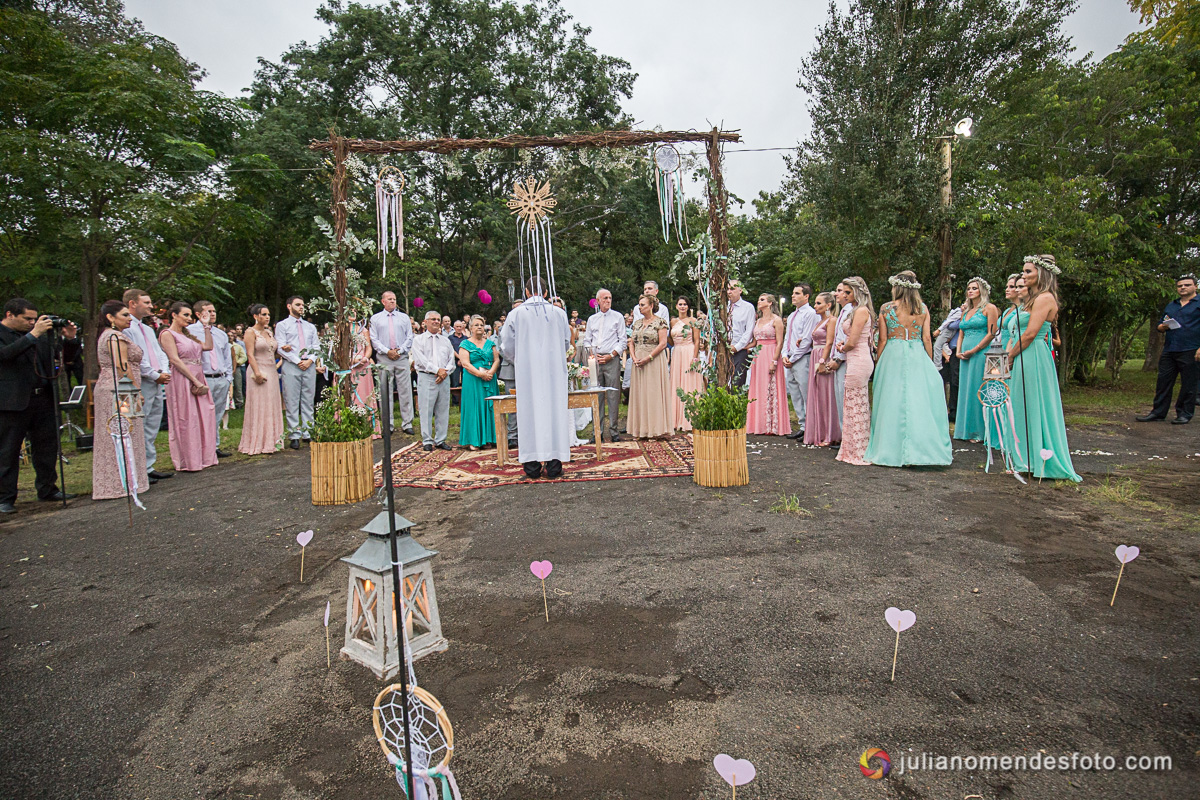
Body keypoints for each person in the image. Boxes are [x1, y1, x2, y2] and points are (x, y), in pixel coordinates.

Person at [864, 272, 952, 466]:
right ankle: (921, 450)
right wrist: (930, 362)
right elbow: (927, 338)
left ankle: (890, 448)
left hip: (892, 354)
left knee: (892, 398)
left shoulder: (887, 308)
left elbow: (883, 339)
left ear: (897, 287)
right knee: (917, 399)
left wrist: (878, 362)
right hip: (916, 353)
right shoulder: (922, 308)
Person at [1007, 255, 1081, 481]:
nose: (1024, 276)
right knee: (1022, 403)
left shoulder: (1045, 299)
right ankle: (1026, 457)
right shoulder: (1031, 299)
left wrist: (1008, 357)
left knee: (1035, 402)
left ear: (1042, 273)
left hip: (1034, 355)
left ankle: (1040, 460)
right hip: (1023, 354)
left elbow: (1030, 333)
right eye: (1023, 272)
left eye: (1028, 271)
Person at [0, 298, 78, 513]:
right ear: (9, 315)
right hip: (12, 402)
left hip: (42, 398)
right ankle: (5, 497)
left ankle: (47, 488)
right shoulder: (12, 335)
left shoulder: (39, 336)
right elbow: (5, 356)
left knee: (47, 446)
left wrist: (69, 340)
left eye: (34, 319)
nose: (31, 323)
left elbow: (62, 361)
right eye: (27, 319)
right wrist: (33, 335)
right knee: (8, 450)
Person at [500, 279, 572, 479]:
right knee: (554, 412)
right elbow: (566, 342)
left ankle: (531, 467)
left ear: (526, 291)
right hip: (553, 371)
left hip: (527, 371)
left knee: (528, 413)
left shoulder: (516, 314)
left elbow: (505, 345)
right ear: (547, 292)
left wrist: (520, 359)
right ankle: (554, 466)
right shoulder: (558, 313)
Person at [91, 300, 149, 501]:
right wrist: (135, 390)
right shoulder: (114, 337)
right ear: (110, 317)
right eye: (124, 315)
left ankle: (128, 479)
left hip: (114, 388)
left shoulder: (110, 335)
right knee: (123, 432)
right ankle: (122, 482)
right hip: (119, 390)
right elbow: (122, 367)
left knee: (122, 433)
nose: (129, 319)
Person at [159, 301, 217, 472]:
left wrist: (206, 327)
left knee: (204, 415)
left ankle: (205, 457)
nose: (189, 318)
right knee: (186, 417)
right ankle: (188, 460)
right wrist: (194, 380)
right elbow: (175, 360)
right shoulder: (167, 334)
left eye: (190, 315)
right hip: (182, 378)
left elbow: (208, 346)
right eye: (185, 315)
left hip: (198, 374)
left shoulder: (188, 335)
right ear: (174, 315)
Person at [123, 289, 173, 483]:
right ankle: (137, 468)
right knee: (140, 424)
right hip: (142, 380)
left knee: (152, 424)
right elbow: (136, 356)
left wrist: (163, 369)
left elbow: (158, 351)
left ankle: (149, 465)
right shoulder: (128, 329)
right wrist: (153, 374)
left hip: (157, 379)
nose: (151, 306)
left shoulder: (149, 328)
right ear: (132, 304)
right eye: (147, 302)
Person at [1138, 272, 1199, 424]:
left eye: (1186, 285)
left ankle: (1184, 414)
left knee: (1188, 384)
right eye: (1180, 286)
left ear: (1195, 287)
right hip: (1170, 348)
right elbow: (1161, 324)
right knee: (1163, 382)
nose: (1183, 288)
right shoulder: (1172, 305)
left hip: (1191, 348)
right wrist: (1162, 326)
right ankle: (1158, 413)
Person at [835, 276, 875, 466]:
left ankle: (859, 449)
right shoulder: (856, 310)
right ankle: (851, 446)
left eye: (848, 292)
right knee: (851, 403)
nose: (844, 295)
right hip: (854, 358)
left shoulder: (861, 311)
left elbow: (853, 342)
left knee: (856, 404)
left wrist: (842, 347)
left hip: (859, 359)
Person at [953, 279, 999, 441]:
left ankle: (979, 431)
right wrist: (958, 351)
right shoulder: (966, 311)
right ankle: (964, 429)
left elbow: (991, 333)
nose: (970, 291)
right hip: (964, 353)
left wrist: (975, 350)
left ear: (982, 291)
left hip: (980, 352)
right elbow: (961, 332)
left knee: (978, 388)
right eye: (969, 288)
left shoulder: (989, 308)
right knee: (965, 389)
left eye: (975, 288)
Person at [187, 301, 233, 458]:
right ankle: (201, 447)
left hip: (220, 377)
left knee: (217, 413)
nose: (212, 314)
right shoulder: (189, 332)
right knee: (201, 414)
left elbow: (227, 358)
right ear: (199, 314)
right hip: (203, 377)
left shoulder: (221, 334)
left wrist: (228, 378)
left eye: (214, 311)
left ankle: (214, 446)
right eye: (208, 311)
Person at [273, 296, 320, 449]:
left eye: (302, 304)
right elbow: (280, 346)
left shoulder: (310, 327)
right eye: (298, 304)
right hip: (292, 364)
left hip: (309, 365)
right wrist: (296, 361)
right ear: (289, 306)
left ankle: (308, 432)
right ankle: (294, 434)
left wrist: (310, 360)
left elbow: (316, 346)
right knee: (292, 400)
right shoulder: (282, 325)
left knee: (308, 399)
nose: (301, 307)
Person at [582, 289, 627, 442]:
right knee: (597, 395)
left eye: (610, 298)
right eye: (605, 298)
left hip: (611, 359)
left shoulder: (617, 317)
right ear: (598, 301)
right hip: (595, 360)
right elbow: (587, 340)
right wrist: (591, 353)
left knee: (613, 395)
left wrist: (612, 355)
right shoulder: (592, 319)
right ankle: (597, 431)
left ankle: (614, 431)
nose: (608, 300)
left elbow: (623, 340)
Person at [238, 304, 284, 455]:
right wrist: (257, 373)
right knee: (259, 405)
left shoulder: (269, 332)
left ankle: (272, 440)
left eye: (268, 314)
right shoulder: (250, 332)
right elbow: (250, 354)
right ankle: (257, 441)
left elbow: (274, 352)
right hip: (258, 370)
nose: (267, 317)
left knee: (271, 404)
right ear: (255, 316)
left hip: (272, 370)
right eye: (264, 314)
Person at [369, 291, 415, 435]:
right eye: (389, 299)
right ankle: (387, 425)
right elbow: (374, 339)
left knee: (405, 391)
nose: (393, 301)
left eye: (394, 299)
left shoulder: (404, 317)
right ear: (383, 301)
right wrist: (387, 351)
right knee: (385, 392)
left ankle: (407, 423)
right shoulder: (376, 319)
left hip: (401, 357)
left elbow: (410, 336)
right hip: (384, 358)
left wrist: (400, 351)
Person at [627, 294, 671, 439]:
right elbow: (631, 342)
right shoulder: (637, 323)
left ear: (651, 306)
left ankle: (655, 429)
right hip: (638, 361)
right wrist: (633, 357)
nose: (640, 307)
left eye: (643, 305)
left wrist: (648, 357)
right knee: (640, 394)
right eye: (639, 305)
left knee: (653, 393)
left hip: (654, 360)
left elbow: (663, 343)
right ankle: (641, 430)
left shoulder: (660, 322)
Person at [746, 293, 791, 436]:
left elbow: (780, 342)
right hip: (758, 356)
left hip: (771, 353)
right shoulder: (758, 321)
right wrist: (743, 347)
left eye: (762, 299)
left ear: (770, 303)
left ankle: (772, 424)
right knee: (758, 387)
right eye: (759, 299)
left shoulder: (776, 320)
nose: (759, 302)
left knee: (771, 387)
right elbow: (755, 341)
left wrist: (774, 360)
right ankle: (758, 424)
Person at [411, 311, 456, 452]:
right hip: (427, 376)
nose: (436, 321)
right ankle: (427, 440)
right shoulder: (418, 340)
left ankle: (441, 439)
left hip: (444, 378)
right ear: (425, 322)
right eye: (433, 319)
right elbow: (421, 360)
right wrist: (437, 370)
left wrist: (444, 372)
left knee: (443, 409)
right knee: (426, 409)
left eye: (438, 319)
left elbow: (451, 360)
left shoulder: (445, 340)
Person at [805, 292, 842, 447]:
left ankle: (830, 433)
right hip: (815, 354)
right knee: (817, 394)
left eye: (819, 303)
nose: (815, 306)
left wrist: (822, 361)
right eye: (815, 303)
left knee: (826, 395)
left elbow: (829, 342)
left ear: (829, 305)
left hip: (823, 356)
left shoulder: (832, 320)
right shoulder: (820, 321)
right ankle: (818, 432)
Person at [782, 284, 818, 439]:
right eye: (793, 293)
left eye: (797, 293)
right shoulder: (791, 315)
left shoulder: (810, 314)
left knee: (805, 393)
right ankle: (802, 424)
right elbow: (787, 337)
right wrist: (785, 354)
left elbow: (806, 339)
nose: (793, 296)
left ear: (806, 296)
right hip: (790, 356)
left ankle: (811, 426)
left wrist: (794, 357)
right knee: (795, 393)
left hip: (802, 357)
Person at [458, 315, 500, 450]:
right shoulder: (465, 344)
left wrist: (491, 373)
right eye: (476, 325)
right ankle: (474, 440)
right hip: (473, 379)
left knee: (489, 406)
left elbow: (496, 360)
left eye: (481, 325)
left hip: (489, 378)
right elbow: (465, 363)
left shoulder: (490, 343)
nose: (479, 327)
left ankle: (488, 438)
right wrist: (480, 374)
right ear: (470, 328)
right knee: (474, 407)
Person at [669, 296, 704, 431]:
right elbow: (671, 340)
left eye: (685, 304)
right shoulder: (673, 322)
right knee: (677, 383)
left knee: (689, 383)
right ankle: (675, 419)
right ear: (676, 306)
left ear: (688, 307)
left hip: (689, 351)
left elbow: (696, 341)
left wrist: (695, 358)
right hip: (677, 353)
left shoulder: (693, 321)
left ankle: (690, 418)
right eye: (680, 304)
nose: (682, 306)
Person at [726, 281, 757, 387]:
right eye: (728, 289)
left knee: (737, 381)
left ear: (740, 290)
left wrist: (736, 347)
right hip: (724, 349)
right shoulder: (723, 307)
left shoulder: (748, 308)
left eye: (733, 289)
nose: (729, 292)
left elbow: (749, 332)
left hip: (740, 350)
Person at [448, 319, 467, 402]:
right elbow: (451, 349)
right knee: (455, 382)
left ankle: (464, 400)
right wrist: (459, 358)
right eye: (457, 327)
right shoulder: (450, 338)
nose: (459, 328)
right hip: (454, 362)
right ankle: (455, 401)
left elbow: (467, 349)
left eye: (460, 326)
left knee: (465, 381)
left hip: (465, 362)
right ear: (454, 327)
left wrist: (463, 359)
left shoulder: (466, 338)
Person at [230, 331, 248, 409]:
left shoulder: (237, 346)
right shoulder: (223, 346)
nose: (230, 337)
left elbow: (244, 357)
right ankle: (229, 402)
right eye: (228, 335)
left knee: (238, 385)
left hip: (237, 368)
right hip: (226, 368)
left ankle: (239, 403)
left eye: (231, 335)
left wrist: (237, 363)